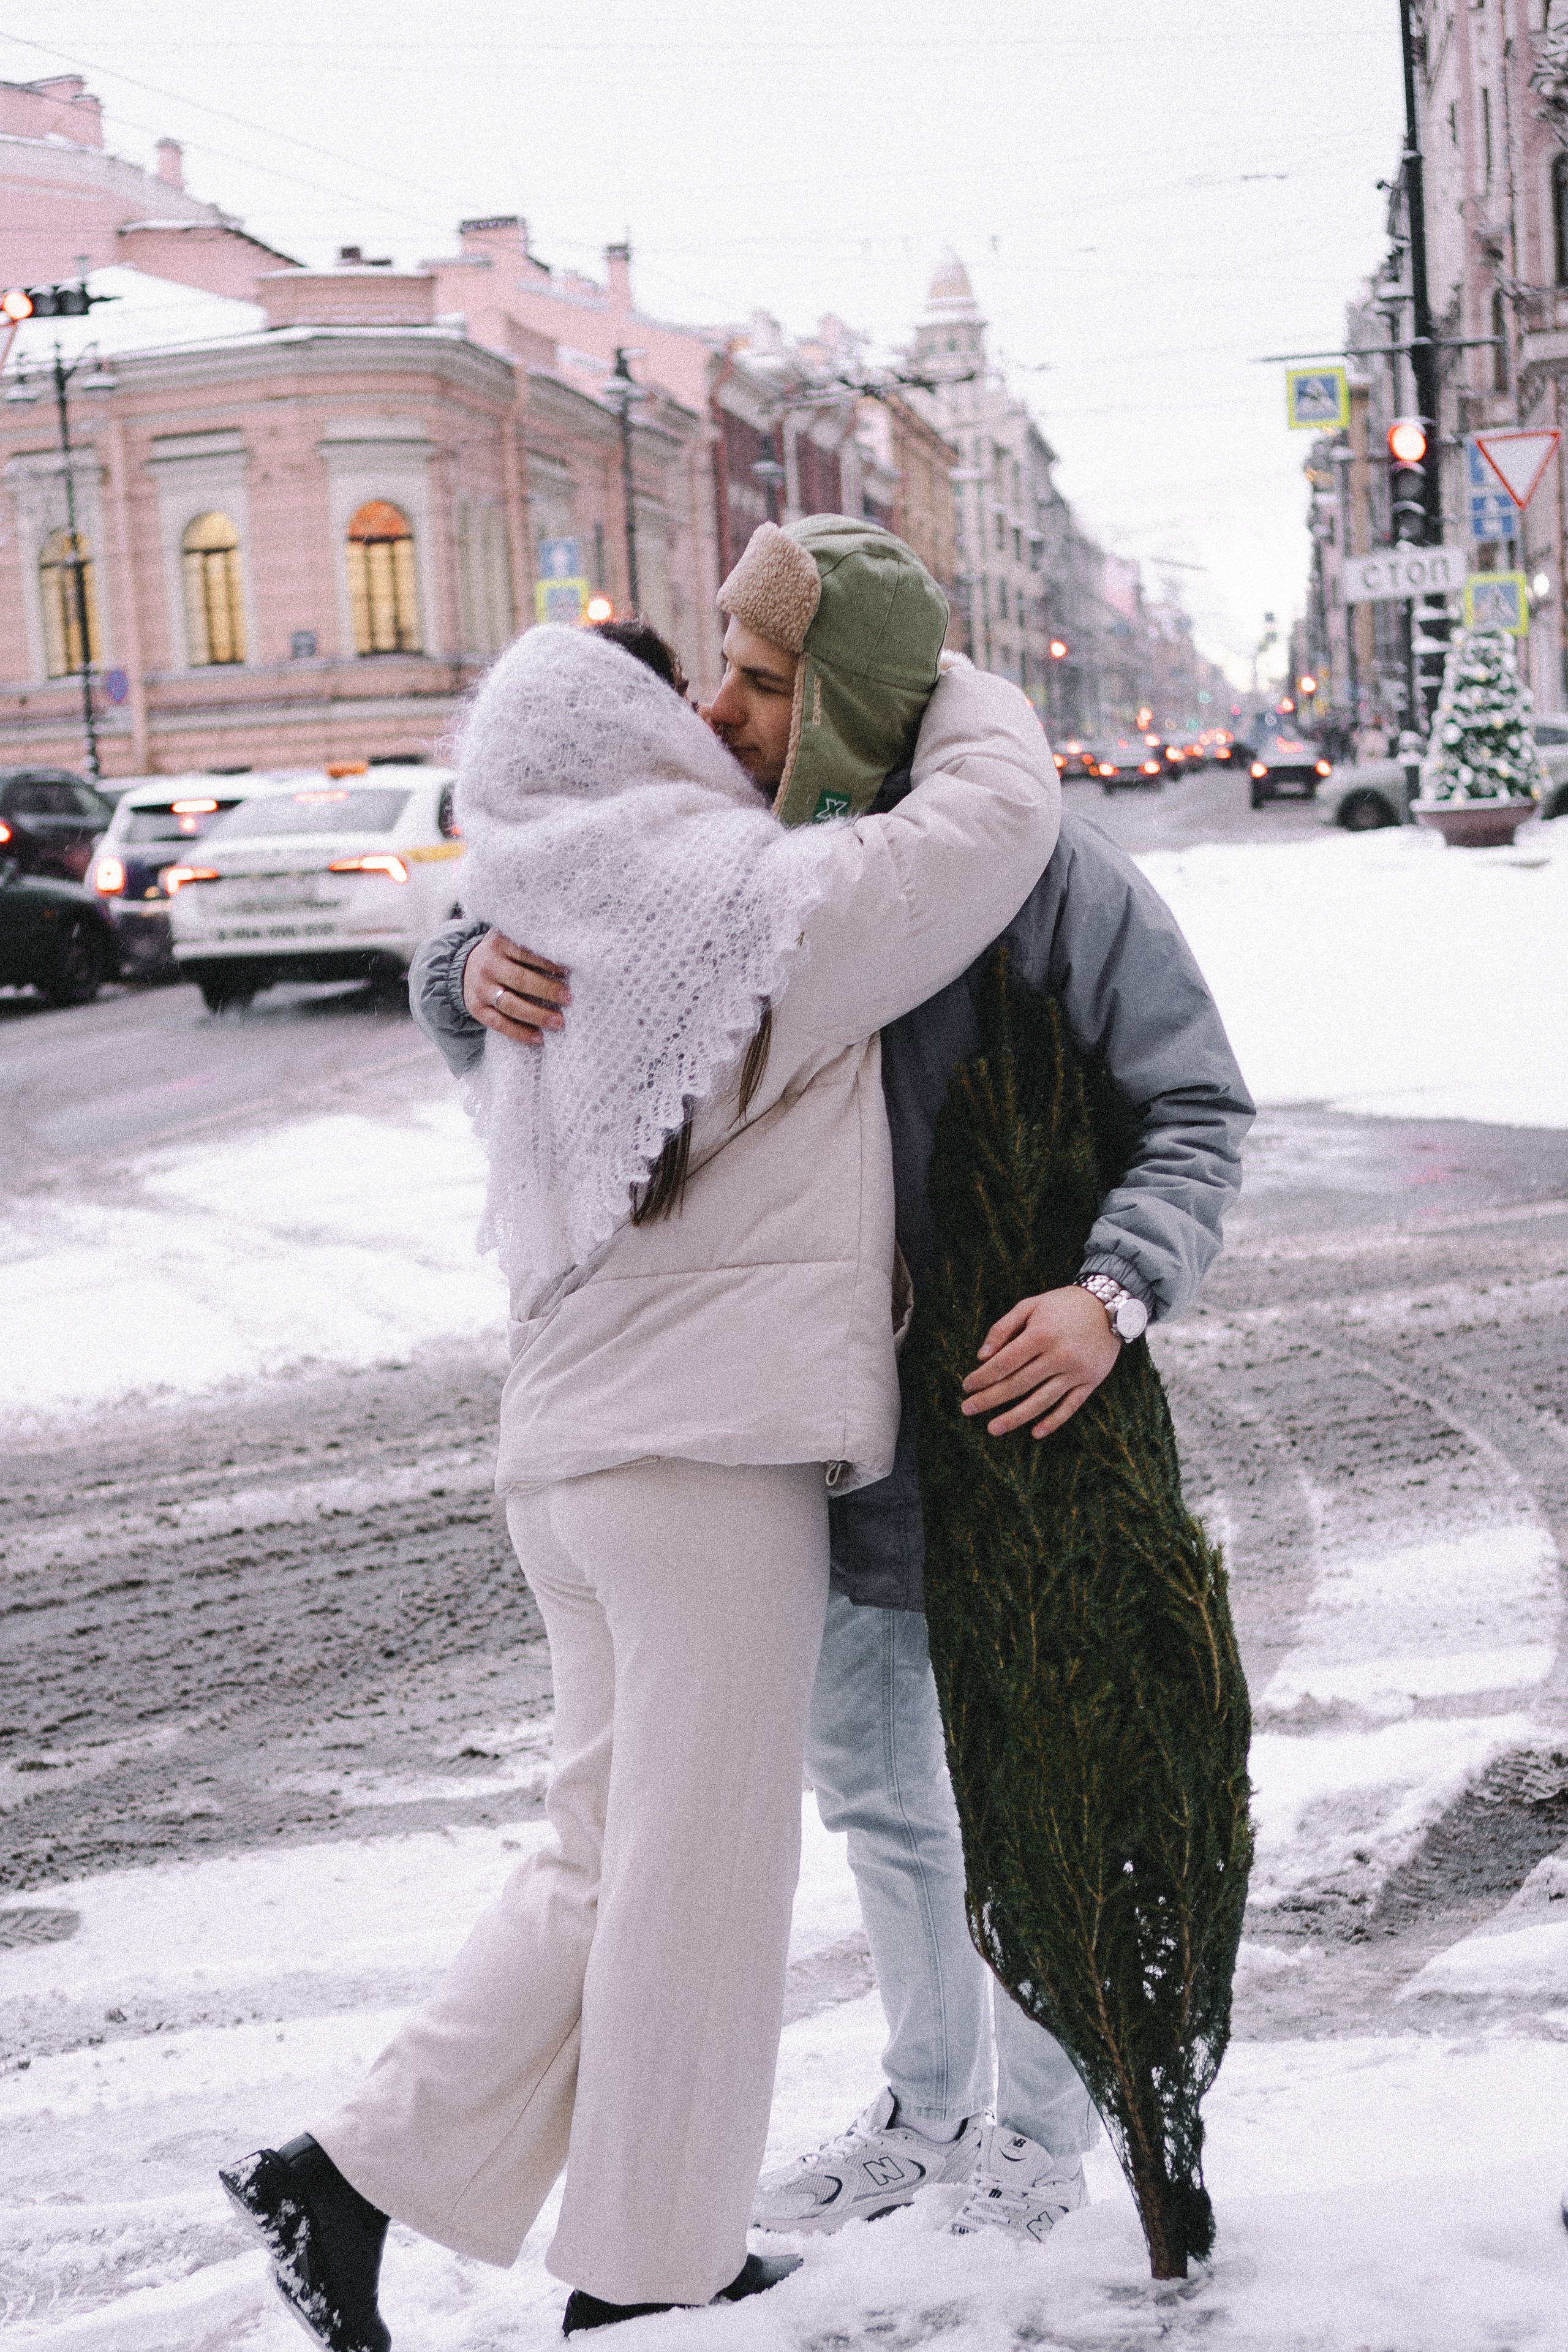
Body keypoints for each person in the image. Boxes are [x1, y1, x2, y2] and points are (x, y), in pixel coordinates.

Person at [219, 535, 1061, 2347]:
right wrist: (935, 677)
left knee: (606, 1851)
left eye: (749, 682)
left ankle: (376, 2186)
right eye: (695, 692)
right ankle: (609, 2252)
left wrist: (456, 966)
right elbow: (994, 822)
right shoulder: (755, 905)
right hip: (703, 1460)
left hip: (576, 1456)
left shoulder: (550, 898)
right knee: (699, 1876)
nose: (712, 711)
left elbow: (479, 998)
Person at [419, 516, 1255, 2253]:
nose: (717, 708)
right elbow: (542, 940)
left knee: (1021, 1783)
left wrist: (1111, 1295)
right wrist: (460, 973)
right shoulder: (723, 855)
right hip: (796, 1444)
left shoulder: (1044, 874)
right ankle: (929, 2104)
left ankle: (1038, 2134)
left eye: (762, 677)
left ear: (854, 701)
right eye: (719, 665)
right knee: (879, 1796)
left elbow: (1197, 1107)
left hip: (1014, 1427)